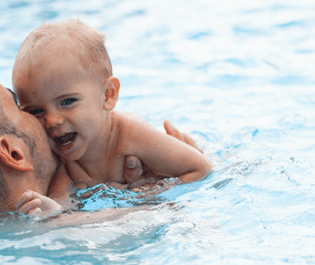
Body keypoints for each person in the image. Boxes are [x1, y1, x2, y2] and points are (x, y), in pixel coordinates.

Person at [11, 19, 212, 215]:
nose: (52, 121)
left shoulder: (132, 135)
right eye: (35, 111)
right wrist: (50, 210)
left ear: (108, 95)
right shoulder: (61, 158)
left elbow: (200, 168)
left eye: (67, 101)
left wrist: (153, 195)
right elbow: (59, 204)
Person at [0, 69, 203, 219]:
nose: (50, 121)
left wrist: (161, 173)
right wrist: (165, 193)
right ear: (14, 154)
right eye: (24, 107)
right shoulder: (61, 231)